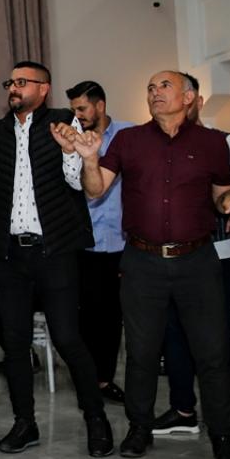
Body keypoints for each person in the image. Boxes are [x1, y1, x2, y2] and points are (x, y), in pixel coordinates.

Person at [63, 69, 230, 459]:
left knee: (213, 352)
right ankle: (139, 427)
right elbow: (95, 190)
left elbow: (222, 194)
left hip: (198, 261)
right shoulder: (129, 141)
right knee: (142, 351)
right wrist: (90, 159)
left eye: (164, 86)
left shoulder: (214, 144)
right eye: (150, 87)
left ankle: (223, 437)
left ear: (189, 97)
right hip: (142, 261)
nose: (155, 92)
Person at [0, 62, 110, 457]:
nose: (14, 87)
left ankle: (96, 419)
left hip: (55, 251)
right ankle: (25, 422)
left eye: (23, 82)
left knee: (67, 338)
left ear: (44, 89)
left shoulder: (63, 123)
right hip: (11, 255)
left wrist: (71, 151)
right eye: (11, 82)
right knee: (15, 343)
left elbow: (79, 183)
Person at [153, 76, 230, 438]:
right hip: (169, 256)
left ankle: (228, 411)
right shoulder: (155, 145)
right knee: (173, 332)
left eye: (173, 92)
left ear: (194, 100)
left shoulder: (229, 144)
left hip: (218, 254)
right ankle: (182, 408)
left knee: (218, 335)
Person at [66, 80, 133, 405]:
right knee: (83, 317)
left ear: (100, 106)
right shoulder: (70, 140)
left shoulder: (129, 135)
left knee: (112, 316)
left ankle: (104, 379)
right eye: (74, 110)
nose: (77, 115)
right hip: (82, 243)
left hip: (121, 242)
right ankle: (86, 380)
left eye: (82, 108)